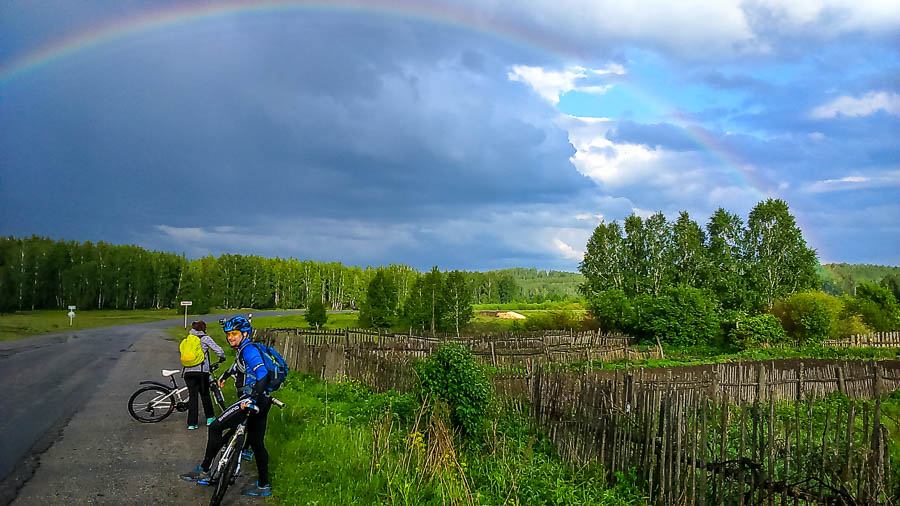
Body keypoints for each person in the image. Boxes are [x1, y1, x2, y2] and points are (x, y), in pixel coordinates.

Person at [180, 316, 273, 497]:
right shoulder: (243, 349)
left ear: (245, 334)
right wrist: (225, 375)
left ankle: (205, 469)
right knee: (256, 444)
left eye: (234, 334)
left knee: (215, 426)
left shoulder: (249, 350)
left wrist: (252, 398)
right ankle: (263, 485)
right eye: (228, 334)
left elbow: (262, 373)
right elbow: (237, 367)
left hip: (251, 400)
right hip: (264, 401)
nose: (230, 337)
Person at [183, 320, 226, 429]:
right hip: (201, 372)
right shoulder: (205, 338)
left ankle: (192, 424)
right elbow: (219, 350)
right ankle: (210, 418)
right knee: (205, 394)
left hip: (188, 372)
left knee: (193, 396)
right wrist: (222, 358)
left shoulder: (188, 339)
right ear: (203, 328)